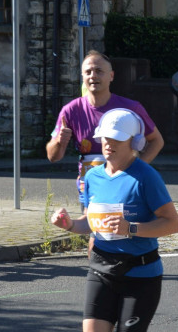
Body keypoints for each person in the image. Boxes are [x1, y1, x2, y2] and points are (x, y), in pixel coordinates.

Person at [49, 108, 178, 332]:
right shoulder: (93, 176)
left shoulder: (145, 177)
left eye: (116, 139)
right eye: (104, 138)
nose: (107, 144)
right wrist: (70, 225)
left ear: (133, 142)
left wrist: (132, 227)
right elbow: (89, 222)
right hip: (101, 268)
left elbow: (172, 223)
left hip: (141, 274)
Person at [47, 50, 165, 211]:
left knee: (122, 229)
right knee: (94, 229)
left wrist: (136, 169)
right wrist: (60, 142)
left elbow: (156, 141)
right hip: (91, 187)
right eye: (88, 72)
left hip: (124, 183)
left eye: (99, 71)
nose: (93, 76)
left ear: (111, 76)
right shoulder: (70, 110)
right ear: (82, 77)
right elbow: (53, 157)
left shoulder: (130, 108)